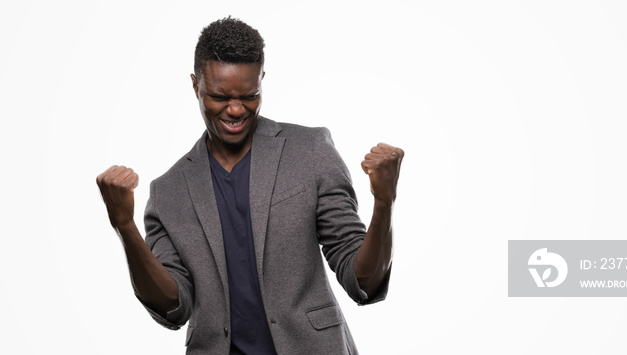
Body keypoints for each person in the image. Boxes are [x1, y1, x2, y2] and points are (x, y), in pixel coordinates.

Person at [96, 17, 403, 355]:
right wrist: (124, 226)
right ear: (195, 85)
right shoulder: (168, 192)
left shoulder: (310, 151)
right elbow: (172, 308)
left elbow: (363, 283)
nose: (236, 109)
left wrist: (384, 204)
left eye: (249, 95)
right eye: (218, 96)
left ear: (262, 81)